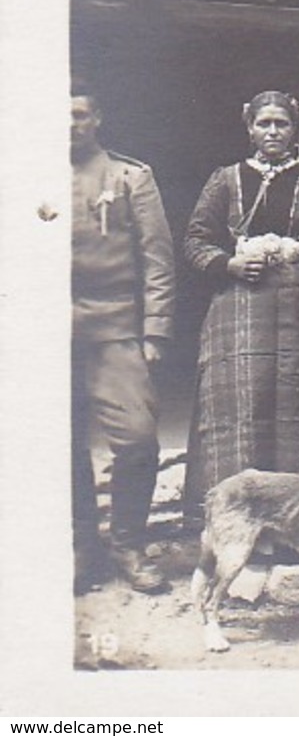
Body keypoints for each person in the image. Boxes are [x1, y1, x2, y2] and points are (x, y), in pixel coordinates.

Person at [182, 91, 299, 523]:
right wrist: (229, 264)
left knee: (297, 408)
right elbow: (195, 241)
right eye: (264, 123)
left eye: (282, 124)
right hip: (238, 308)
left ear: (295, 131)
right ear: (249, 127)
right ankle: (232, 519)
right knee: (241, 407)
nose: (272, 132)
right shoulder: (225, 179)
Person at [70, 80, 176, 593]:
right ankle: (81, 546)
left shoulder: (130, 177)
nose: (69, 125)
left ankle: (129, 545)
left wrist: (154, 332)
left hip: (115, 330)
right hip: (49, 335)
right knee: (57, 444)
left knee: (136, 441)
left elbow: (158, 261)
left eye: (79, 115)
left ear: (97, 118)